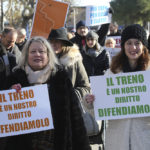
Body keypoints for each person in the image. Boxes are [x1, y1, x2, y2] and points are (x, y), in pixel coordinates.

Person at [6, 36, 91, 150]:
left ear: (48, 55)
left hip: (56, 144)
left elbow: (76, 119)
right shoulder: (15, 79)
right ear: (26, 55)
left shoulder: (61, 79)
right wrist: (10, 95)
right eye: (33, 51)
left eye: (41, 51)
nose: (37, 54)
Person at [105, 24, 150, 150]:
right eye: (129, 43)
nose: (133, 47)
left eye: (137, 43)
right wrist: (90, 102)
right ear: (123, 46)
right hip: (117, 139)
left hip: (144, 139)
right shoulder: (112, 72)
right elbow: (100, 104)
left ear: (143, 46)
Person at [48, 27, 91, 100]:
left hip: (70, 108)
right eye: (51, 42)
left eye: (57, 41)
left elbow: (86, 88)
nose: (53, 44)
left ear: (64, 43)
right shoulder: (44, 61)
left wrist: (71, 95)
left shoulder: (74, 60)